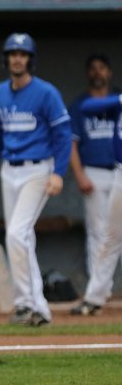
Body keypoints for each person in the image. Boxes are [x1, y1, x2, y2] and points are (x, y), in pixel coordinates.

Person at [0, 33, 72, 327]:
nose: (17, 59)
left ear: (30, 59)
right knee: (22, 237)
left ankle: (30, 305)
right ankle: (32, 307)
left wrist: (58, 172)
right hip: (9, 169)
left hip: (38, 169)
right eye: (13, 54)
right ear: (6, 59)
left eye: (23, 54)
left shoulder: (46, 92)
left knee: (17, 234)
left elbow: (63, 135)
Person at [68, 54, 122, 313]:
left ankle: (95, 296)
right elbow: (88, 108)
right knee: (106, 234)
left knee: (110, 234)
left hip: (117, 172)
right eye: (94, 69)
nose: (98, 73)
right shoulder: (111, 101)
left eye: (103, 68)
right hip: (108, 171)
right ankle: (96, 296)